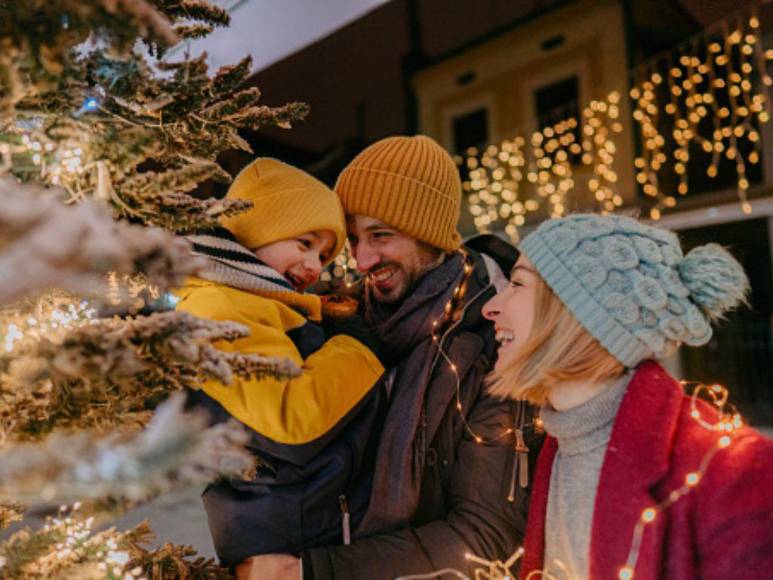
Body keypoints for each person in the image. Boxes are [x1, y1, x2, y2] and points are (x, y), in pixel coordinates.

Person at [248, 135, 539, 580]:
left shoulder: (494, 345)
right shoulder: (342, 323)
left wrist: (312, 572)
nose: (362, 260)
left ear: (430, 233)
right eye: (353, 239)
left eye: (381, 235)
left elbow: (485, 538)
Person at [482, 213, 773, 579]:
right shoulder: (557, 449)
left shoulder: (732, 473)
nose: (490, 307)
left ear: (578, 311)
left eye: (518, 283)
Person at [174, 158, 386, 570]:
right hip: (287, 537)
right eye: (305, 244)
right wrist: (357, 347)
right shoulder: (220, 307)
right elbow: (290, 419)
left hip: (298, 525)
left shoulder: (257, 304)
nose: (315, 267)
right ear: (257, 231)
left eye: (323, 255)